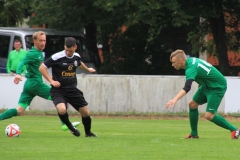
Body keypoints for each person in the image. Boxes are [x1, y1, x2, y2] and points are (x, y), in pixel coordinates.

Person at [0, 31, 79, 131]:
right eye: (40, 40)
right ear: (34, 41)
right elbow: (22, 62)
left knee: (19, 110)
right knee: (60, 97)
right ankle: (65, 124)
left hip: (29, 85)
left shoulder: (38, 53)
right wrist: (18, 74)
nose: (43, 43)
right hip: (35, 84)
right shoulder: (33, 53)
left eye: (44, 40)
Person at [166, 49, 240, 139]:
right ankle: (194, 134)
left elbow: (187, 87)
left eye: (173, 62)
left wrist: (174, 99)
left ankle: (234, 129)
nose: (172, 65)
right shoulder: (191, 61)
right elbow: (204, 72)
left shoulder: (190, 69)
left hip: (217, 87)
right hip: (206, 85)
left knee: (209, 115)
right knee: (192, 104)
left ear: (180, 61)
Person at [39, 37, 97, 137]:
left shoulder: (76, 56)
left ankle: (88, 133)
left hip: (72, 90)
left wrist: (87, 69)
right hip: (59, 90)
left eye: (70, 51)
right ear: (64, 47)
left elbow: (79, 63)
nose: (68, 52)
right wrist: (51, 81)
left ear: (75, 47)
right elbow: (42, 67)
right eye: (66, 50)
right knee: (62, 110)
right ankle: (71, 127)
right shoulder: (57, 57)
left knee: (86, 113)